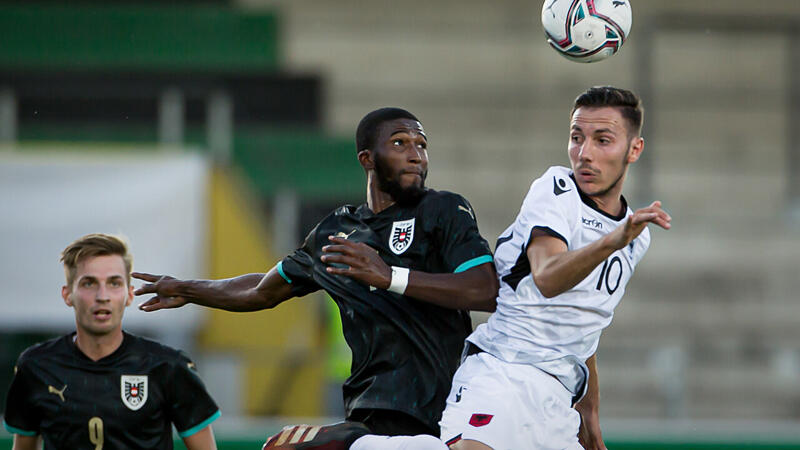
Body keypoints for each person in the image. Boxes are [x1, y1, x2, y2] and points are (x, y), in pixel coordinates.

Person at [134, 107, 499, 448]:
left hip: (445, 402)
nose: (416, 154)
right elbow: (262, 291)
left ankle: (345, 441)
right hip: (372, 405)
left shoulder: (442, 209)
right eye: (400, 143)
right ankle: (348, 439)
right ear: (367, 159)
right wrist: (189, 288)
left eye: (421, 145)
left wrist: (391, 277)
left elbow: (485, 289)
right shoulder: (335, 233)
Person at [437, 86, 672, 450]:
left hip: (559, 399)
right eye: (576, 138)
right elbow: (546, 278)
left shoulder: (636, 237)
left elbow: (585, 326)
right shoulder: (556, 189)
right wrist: (614, 239)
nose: (585, 154)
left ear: (634, 149)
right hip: (503, 373)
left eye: (602, 140)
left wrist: (590, 416)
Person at [2, 233, 220, 450]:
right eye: (89, 283)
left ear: (129, 295)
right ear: (68, 294)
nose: (102, 296)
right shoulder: (36, 366)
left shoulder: (168, 366)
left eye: (114, 283)